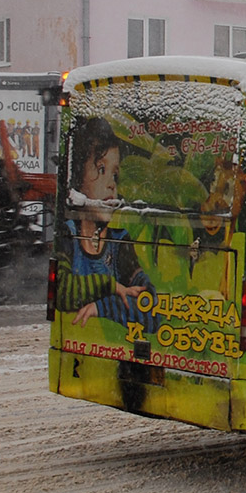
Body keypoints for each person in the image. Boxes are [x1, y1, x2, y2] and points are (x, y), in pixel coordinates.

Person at [56, 116, 157, 331]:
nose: (112, 184)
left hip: (120, 356)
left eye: (115, 175)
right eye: (101, 169)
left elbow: (150, 303)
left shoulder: (119, 242)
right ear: (77, 179)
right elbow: (62, 292)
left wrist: (102, 307)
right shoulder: (69, 235)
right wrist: (111, 286)